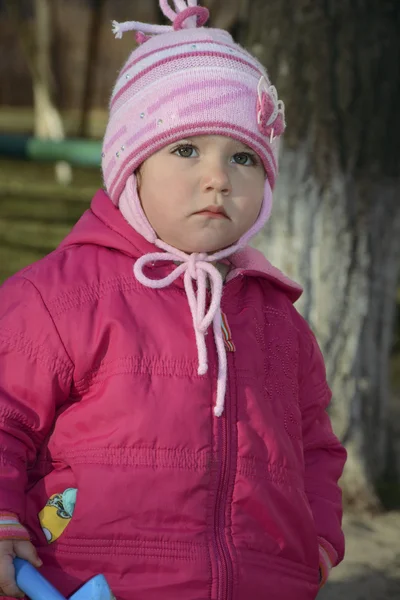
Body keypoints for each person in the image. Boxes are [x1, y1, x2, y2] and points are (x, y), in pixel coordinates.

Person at [0, 1, 347, 598]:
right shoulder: (59, 298)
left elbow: (314, 444)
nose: (218, 177)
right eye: (186, 149)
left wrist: (315, 541)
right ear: (130, 165)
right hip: (85, 581)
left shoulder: (277, 320)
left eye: (242, 157)